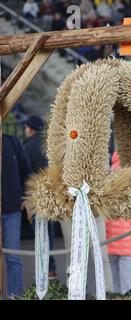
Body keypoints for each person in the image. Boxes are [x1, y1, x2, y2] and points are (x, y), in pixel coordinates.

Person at [23, 116, 58, 280]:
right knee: (49, 232)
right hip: (50, 195)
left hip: (34, 197)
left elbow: (23, 173)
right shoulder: (49, 145)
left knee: (38, 232)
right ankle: (50, 267)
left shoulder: (26, 147)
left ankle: (42, 268)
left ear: (29, 129)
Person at [105, 151, 131, 297]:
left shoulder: (110, 172)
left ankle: (115, 296)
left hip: (110, 231)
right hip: (126, 231)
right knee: (126, 275)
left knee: (114, 274)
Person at [2, 133, 31, 298]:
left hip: (12, 210)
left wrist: (24, 197)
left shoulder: (12, 141)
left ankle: (16, 296)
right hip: (10, 209)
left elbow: (26, 170)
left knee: (13, 258)